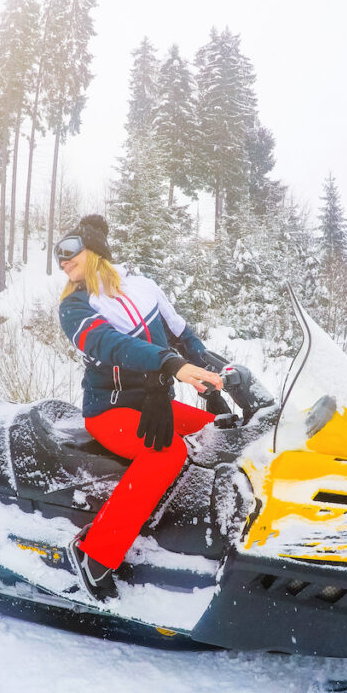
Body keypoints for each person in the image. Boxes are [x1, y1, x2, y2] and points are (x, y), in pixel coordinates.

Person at [57, 214, 224, 601]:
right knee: (167, 454)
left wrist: (219, 376)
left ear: (94, 248)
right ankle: (94, 556)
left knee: (216, 431)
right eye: (58, 258)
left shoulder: (143, 285)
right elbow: (110, 345)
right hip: (110, 411)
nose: (63, 263)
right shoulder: (75, 306)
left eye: (68, 252)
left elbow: (182, 334)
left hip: (154, 405)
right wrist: (169, 365)